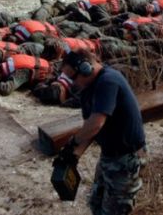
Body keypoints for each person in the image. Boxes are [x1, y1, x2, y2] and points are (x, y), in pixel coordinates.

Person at [54, 50, 146, 215]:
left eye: (73, 77)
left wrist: (73, 142)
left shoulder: (108, 81)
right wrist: (72, 155)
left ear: (85, 68)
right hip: (109, 155)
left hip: (126, 157)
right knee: (96, 203)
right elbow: (90, 128)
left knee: (115, 210)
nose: (73, 83)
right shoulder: (88, 89)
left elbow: (96, 124)